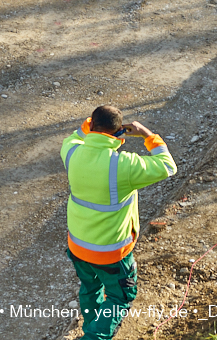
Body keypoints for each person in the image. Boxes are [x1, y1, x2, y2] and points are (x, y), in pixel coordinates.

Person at [62, 105, 176, 340]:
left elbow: (78, 135)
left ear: (92, 125)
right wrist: (147, 134)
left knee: (91, 289)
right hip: (110, 252)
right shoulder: (124, 165)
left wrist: (90, 126)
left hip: (78, 245)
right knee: (120, 297)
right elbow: (167, 166)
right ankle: (93, 337)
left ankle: (91, 329)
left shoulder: (71, 151)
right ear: (119, 134)